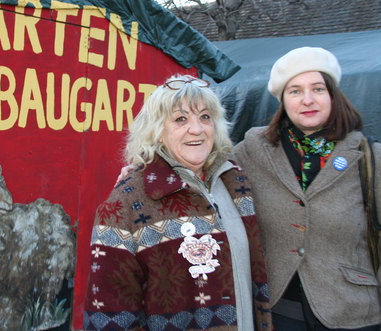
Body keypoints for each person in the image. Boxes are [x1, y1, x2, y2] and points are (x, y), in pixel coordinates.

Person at [232, 47, 381, 331]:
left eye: (317, 88)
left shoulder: (372, 157)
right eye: (295, 91)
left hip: (351, 314)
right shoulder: (251, 153)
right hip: (278, 313)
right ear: (282, 100)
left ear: (333, 94)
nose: (307, 99)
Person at [83, 74, 273, 331]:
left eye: (205, 117)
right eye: (181, 119)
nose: (196, 129)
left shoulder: (235, 181)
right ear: (158, 132)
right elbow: (108, 317)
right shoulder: (125, 204)